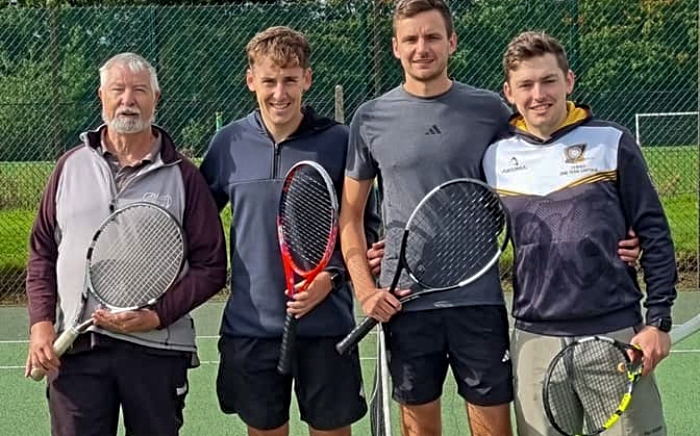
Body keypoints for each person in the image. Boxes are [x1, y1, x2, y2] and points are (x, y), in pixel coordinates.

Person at [341, 1, 641, 435]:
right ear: (395, 47)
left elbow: (548, 165)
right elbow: (350, 215)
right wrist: (367, 290)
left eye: (432, 37)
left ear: (452, 42)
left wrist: (619, 229)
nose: (421, 48)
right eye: (411, 39)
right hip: (403, 305)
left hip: (478, 303)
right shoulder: (369, 118)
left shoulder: (491, 112)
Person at [482, 31, 677, 436]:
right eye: (526, 85)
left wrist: (657, 321)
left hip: (616, 333)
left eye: (548, 80)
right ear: (509, 92)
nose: (539, 94)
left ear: (569, 81)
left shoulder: (612, 141)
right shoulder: (494, 156)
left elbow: (654, 232)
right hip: (534, 341)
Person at [25, 52, 228, 436]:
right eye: (118, 90)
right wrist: (40, 325)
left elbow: (212, 266)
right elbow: (42, 252)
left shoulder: (184, 177)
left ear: (156, 97)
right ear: (101, 96)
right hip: (77, 350)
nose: (128, 100)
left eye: (139, 90)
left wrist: (157, 315)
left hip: (156, 350)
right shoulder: (69, 167)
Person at [199, 26, 380, 436]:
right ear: (251, 81)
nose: (279, 93)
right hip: (251, 328)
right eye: (269, 81)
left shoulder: (339, 142)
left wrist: (331, 278)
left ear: (307, 80)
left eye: (289, 80)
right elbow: (199, 224)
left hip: (327, 327)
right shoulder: (227, 144)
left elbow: (364, 226)